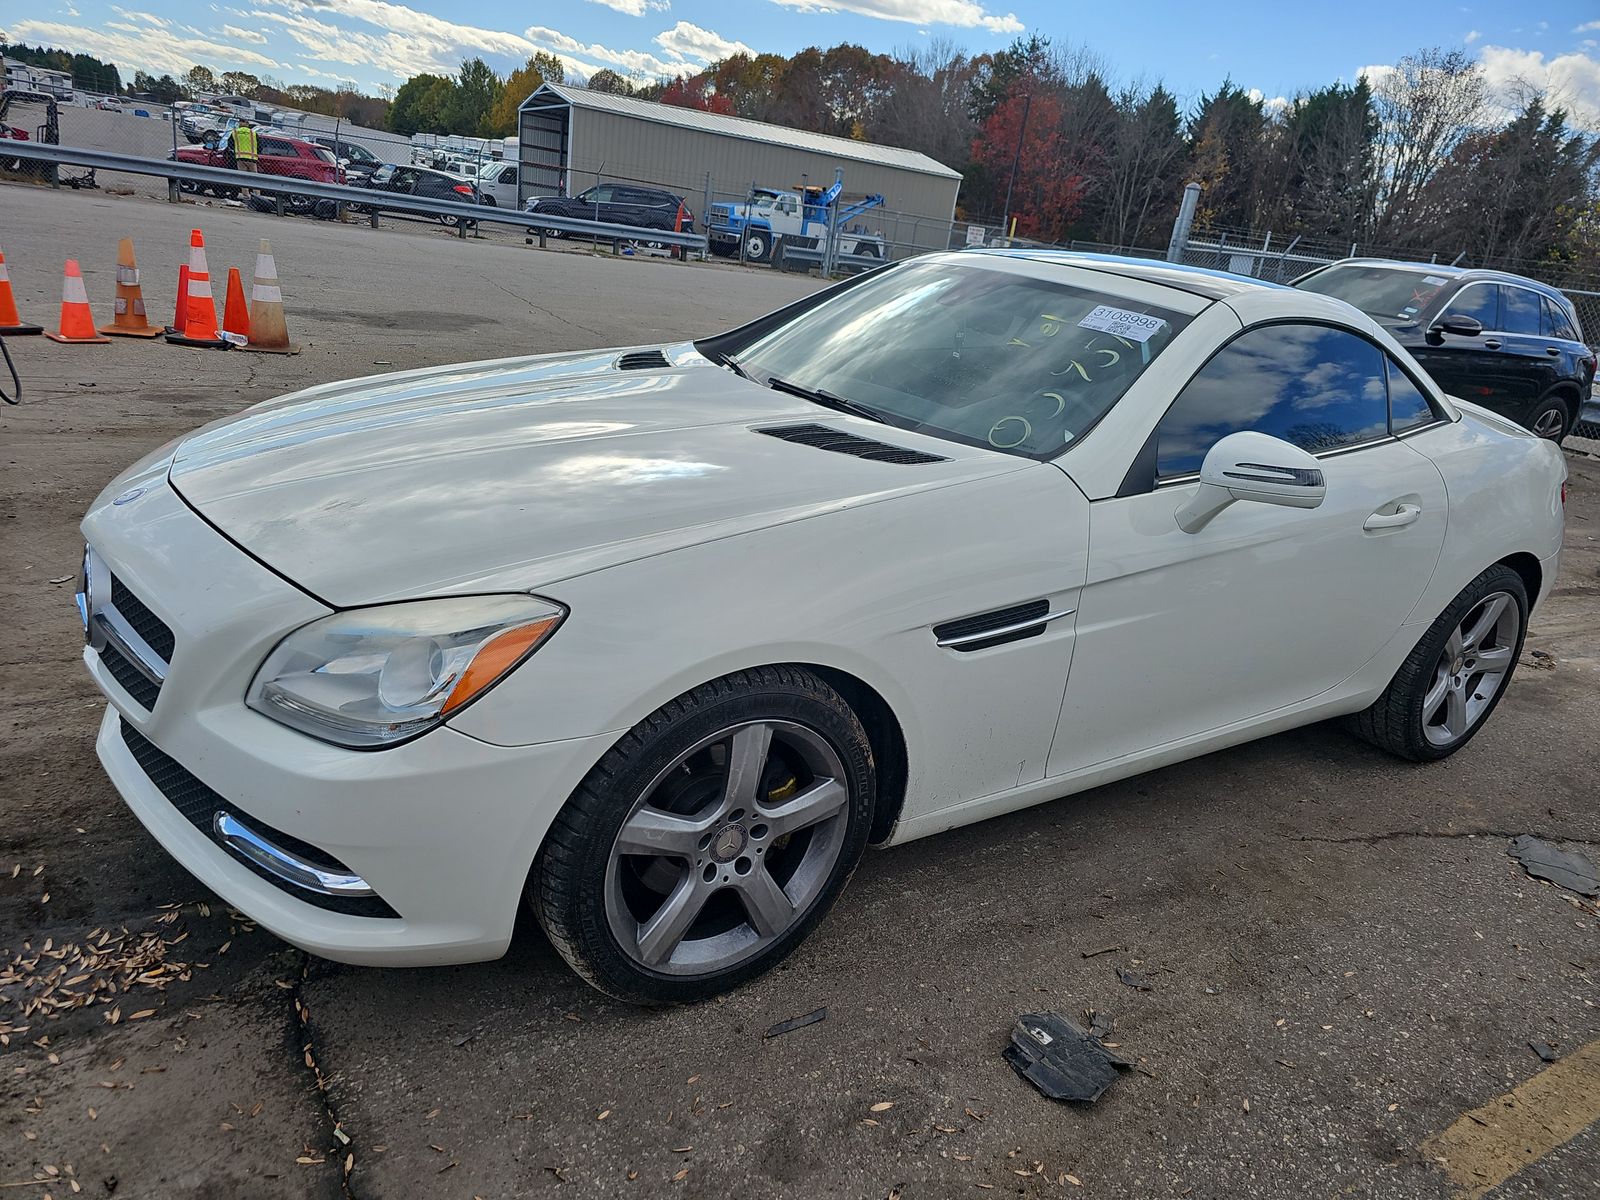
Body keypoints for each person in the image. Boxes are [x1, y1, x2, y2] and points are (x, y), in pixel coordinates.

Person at [230, 119, 260, 196]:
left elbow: (230, 145)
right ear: (247, 124)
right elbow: (260, 145)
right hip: (252, 159)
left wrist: (235, 152)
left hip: (240, 158)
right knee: (255, 179)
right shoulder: (253, 133)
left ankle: (246, 196)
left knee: (243, 178)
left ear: (239, 123)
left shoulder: (235, 132)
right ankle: (257, 196)